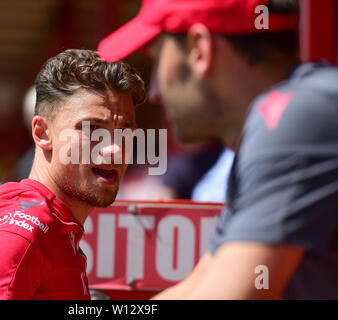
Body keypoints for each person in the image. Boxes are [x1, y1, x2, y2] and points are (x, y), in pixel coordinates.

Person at [98, 0, 338, 299]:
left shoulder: (294, 115)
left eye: (159, 60)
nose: (155, 93)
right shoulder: (276, 124)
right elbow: (198, 286)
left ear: (200, 48)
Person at [0, 49, 145, 300]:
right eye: (92, 129)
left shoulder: (52, 224)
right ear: (42, 133)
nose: (115, 149)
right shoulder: (22, 228)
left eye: (124, 131)